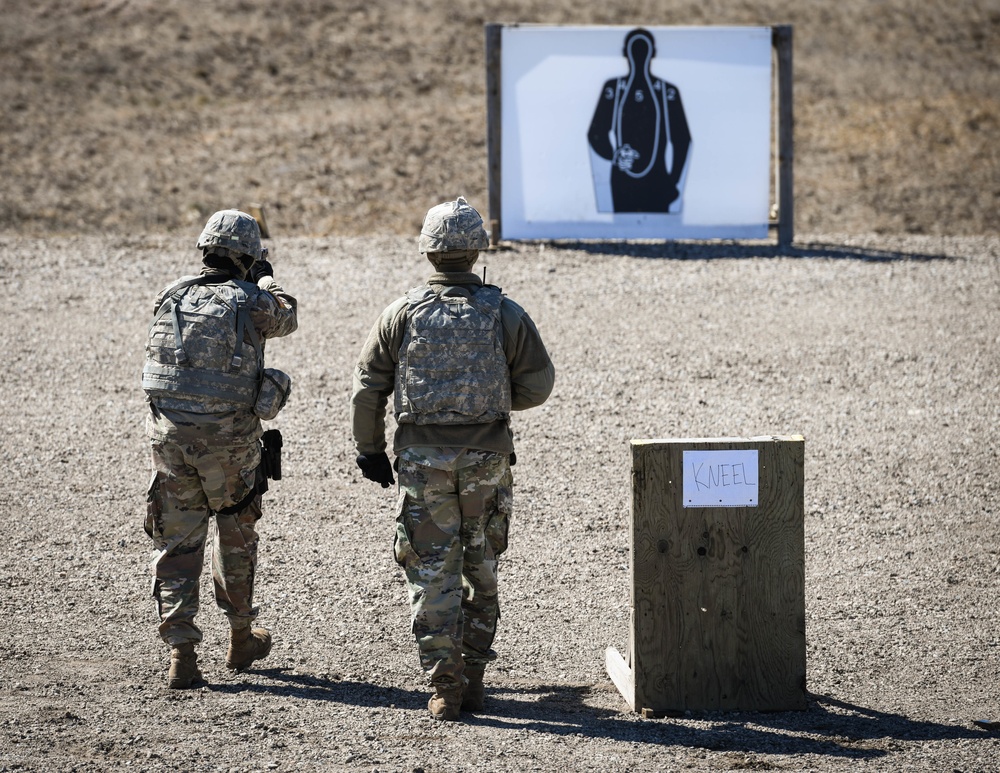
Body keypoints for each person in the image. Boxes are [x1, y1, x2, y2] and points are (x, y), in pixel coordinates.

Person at [351, 197, 554, 721]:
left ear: (429, 252)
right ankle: (477, 676)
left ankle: (444, 685)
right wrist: (491, 402)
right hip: (487, 458)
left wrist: (370, 449)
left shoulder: (402, 312)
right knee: (480, 565)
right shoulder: (503, 311)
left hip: (421, 461)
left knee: (431, 570)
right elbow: (539, 383)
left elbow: (368, 388)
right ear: (477, 249)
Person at [142, 209, 298, 689]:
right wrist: (267, 280)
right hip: (230, 446)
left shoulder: (170, 294)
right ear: (246, 256)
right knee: (235, 535)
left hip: (171, 441)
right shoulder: (253, 301)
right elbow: (288, 316)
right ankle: (240, 638)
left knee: (178, 542)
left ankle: (182, 654)